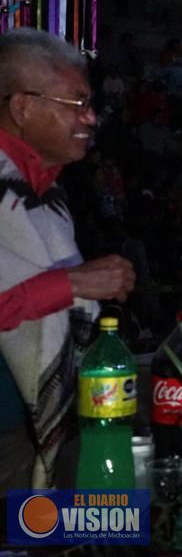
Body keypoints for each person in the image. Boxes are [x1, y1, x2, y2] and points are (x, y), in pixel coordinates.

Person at [0, 28, 136, 490]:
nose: (92, 118)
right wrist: (73, 284)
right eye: (76, 103)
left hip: (32, 421)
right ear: (22, 107)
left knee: (102, 522)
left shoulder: (44, 190)